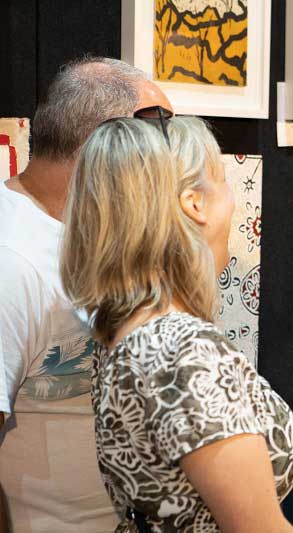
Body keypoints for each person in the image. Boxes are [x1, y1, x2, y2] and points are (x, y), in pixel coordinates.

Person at [60, 116, 293, 531]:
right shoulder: (185, 351)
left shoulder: (121, 326)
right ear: (194, 204)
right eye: (222, 180)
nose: (232, 200)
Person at [0, 56, 172, 532]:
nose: (168, 161)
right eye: (159, 133)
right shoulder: (12, 259)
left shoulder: (93, 234)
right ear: (108, 140)